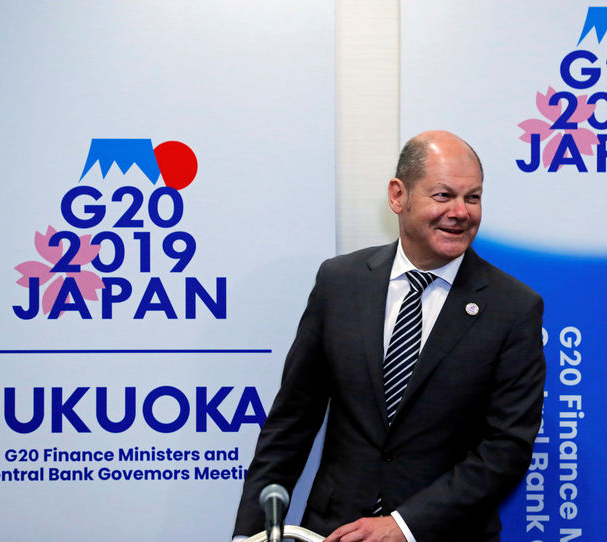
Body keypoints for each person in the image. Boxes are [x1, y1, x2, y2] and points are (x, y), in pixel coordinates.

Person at [233, 130, 546, 542]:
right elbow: (291, 423)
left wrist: (403, 525)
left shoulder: (514, 307)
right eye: (443, 196)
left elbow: (506, 449)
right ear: (398, 196)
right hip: (333, 531)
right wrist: (250, 537)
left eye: (472, 198)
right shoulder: (339, 283)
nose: (460, 212)